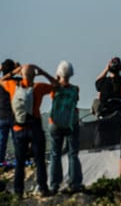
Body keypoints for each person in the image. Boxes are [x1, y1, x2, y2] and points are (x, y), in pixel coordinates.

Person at [0, 63, 57, 197]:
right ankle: (43, 188)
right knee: (39, 160)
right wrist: (43, 72)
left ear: (21, 74)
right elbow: (56, 85)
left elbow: (2, 80)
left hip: (18, 128)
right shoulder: (38, 87)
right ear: (34, 75)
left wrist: (15, 71)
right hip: (35, 127)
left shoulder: (13, 86)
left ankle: (18, 191)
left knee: (19, 162)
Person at [48, 61, 83, 194]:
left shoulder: (54, 88)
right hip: (71, 123)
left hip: (55, 123)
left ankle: (54, 184)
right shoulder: (75, 89)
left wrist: (56, 78)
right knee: (73, 153)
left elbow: (53, 95)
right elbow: (76, 100)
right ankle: (75, 183)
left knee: (55, 154)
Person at [0, 59, 16, 165]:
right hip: (15, 116)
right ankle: (20, 159)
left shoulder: (1, 83)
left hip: (1, 116)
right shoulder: (17, 82)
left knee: (1, 141)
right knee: (17, 141)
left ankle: (0, 161)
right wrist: (17, 69)